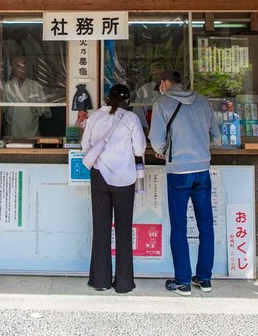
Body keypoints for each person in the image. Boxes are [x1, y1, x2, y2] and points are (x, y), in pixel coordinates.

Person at [148, 69, 221, 296]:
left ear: (165, 83)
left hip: (178, 171)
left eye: (161, 83)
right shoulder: (202, 101)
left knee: (179, 227)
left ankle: (182, 281)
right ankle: (204, 279)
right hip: (202, 170)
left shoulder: (162, 103)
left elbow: (156, 140)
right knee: (206, 226)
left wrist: (164, 151)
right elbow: (216, 137)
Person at [81, 83, 147, 293]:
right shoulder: (131, 119)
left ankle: (100, 281)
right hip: (125, 179)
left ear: (108, 98)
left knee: (101, 228)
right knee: (123, 230)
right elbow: (140, 149)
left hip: (100, 175)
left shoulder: (95, 117)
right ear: (127, 101)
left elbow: (85, 147)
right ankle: (124, 283)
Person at [3, 54, 51, 137]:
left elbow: (45, 112)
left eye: (24, 65)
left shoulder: (36, 86)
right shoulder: (7, 87)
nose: (21, 68)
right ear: (12, 67)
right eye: (18, 65)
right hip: (12, 134)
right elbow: (1, 110)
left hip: (32, 133)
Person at [133, 61, 163, 128]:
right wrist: (145, 128)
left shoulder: (169, 89)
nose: (157, 75)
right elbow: (138, 109)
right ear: (151, 73)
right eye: (155, 73)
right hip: (148, 123)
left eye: (159, 73)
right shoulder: (144, 89)